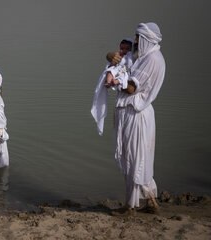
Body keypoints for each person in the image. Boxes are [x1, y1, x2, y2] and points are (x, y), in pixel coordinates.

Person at [111, 23, 166, 214]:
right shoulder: (146, 57)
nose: (135, 42)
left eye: (138, 38)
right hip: (135, 114)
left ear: (147, 40)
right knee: (139, 158)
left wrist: (115, 81)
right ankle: (151, 202)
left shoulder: (152, 59)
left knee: (135, 159)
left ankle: (130, 206)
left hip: (137, 115)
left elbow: (132, 88)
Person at [91, 38, 133, 135]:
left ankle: (115, 82)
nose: (123, 51)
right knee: (110, 72)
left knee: (121, 77)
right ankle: (109, 82)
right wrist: (112, 62)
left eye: (127, 49)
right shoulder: (118, 58)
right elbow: (110, 66)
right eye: (121, 48)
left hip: (125, 75)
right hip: (118, 73)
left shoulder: (132, 59)